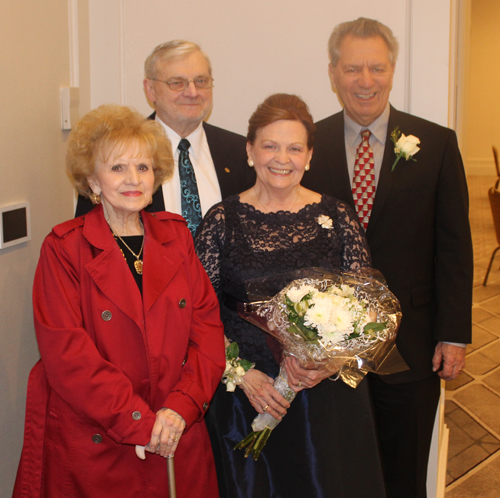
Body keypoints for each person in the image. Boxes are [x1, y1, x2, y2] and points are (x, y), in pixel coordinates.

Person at [13, 105, 225, 498]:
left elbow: (208, 334)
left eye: (143, 168)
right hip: (98, 441)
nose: (133, 179)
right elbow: (68, 357)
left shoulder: (177, 239)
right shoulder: (64, 249)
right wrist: (139, 423)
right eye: (118, 168)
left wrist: (181, 408)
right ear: (93, 179)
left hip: (176, 432)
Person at [301, 18, 473, 498]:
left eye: (377, 67)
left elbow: (455, 247)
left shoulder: (437, 144)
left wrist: (453, 334)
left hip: (413, 346)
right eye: (353, 68)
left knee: (404, 474)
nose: (366, 81)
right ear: (333, 73)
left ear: (393, 69)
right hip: (330, 353)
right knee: (338, 475)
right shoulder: (306, 145)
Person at [195, 93, 386, 498]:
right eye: (270, 145)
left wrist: (328, 363)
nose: (282, 158)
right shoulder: (221, 221)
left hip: (325, 401)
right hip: (246, 399)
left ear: (309, 156)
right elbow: (197, 314)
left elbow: (368, 311)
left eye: (294, 148)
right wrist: (241, 374)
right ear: (249, 151)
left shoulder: (337, 218)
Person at [75, 40, 255, 233]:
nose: (193, 92)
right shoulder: (112, 151)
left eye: (201, 81)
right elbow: (86, 236)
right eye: (177, 83)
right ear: (150, 89)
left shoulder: (240, 151)